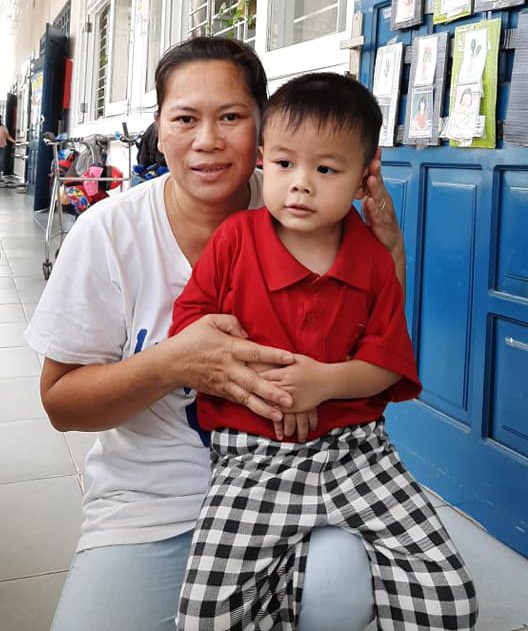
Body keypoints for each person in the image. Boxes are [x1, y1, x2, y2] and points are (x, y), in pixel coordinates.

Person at [25, 37, 403, 631]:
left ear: (262, 130)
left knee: (341, 590)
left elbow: (372, 348)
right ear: (159, 127)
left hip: (298, 481)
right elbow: (61, 405)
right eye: (185, 118)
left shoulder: (311, 212)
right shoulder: (109, 234)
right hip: (152, 503)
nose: (207, 140)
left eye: (231, 117)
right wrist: (174, 363)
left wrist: (389, 255)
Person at [170, 73, 478, 630]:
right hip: (253, 459)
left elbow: (386, 364)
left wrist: (326, 382)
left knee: (446, 597)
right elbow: (193, 333)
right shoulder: (235, 240)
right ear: (263, 160)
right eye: (285, 165)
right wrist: (282, 387)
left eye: (326, 169)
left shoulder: (371, 259)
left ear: (366, 175)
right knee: (208, 615)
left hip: (356, 454)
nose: (301, 185)